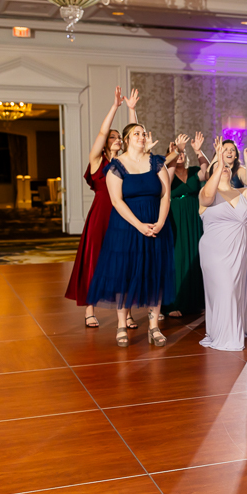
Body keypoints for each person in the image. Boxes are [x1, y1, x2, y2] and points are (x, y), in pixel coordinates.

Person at [86, 123, 176, 348]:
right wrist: (138, 225)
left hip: (155, 224)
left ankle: (154, 326)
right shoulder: (117, 165)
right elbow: (116, 201)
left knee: (155, 274)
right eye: (136, 133)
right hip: (127, 226)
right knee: (125, 274)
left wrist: (161, 222)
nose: (142, 136)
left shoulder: (156, 162)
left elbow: (166, 196)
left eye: (143, 133)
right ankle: (121, 326)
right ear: (127, 139)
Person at [66, 86, 141, 329]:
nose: (118, 139)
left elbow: (135, 135)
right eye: (113, 137)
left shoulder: (127, 161)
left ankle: (126, 312)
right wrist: (115, 106)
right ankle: (90, 309)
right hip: (101, 215)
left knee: (126, 263)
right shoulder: (99, 161)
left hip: (124, 215)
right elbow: (101, 132)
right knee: (95, 261)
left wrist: (132, 110)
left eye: (120, 138)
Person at [198, 155, 247, 351]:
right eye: (220, 166)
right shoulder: (206, 194)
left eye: (228, 166)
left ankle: (241, 326)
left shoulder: (243, 191)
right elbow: (206, 197)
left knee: (238, 290)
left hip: (241, 249)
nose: (225, 168)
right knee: (226, 289)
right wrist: (218, 164)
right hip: (215, 251)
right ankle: (225, 335)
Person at [163, 133, 210, 318]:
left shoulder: (193, 172)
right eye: (175, 152)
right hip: (175, 218)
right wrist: (177, 151)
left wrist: (198, 151)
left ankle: (195, 301)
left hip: (193, 218)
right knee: (177, 257)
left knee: (195, 257)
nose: (180, 154)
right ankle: (174, 302)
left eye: (182, 152)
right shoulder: (168, 172)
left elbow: (206, 170)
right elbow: (168, 175)